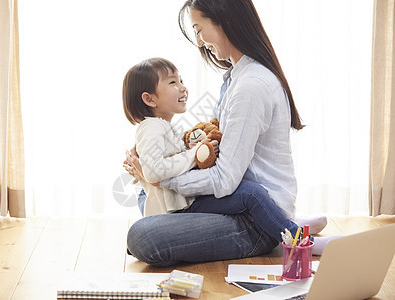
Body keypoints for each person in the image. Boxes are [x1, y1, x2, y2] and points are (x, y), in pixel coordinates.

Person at [124, 0, 335, 267]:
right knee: (144, 198)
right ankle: (284, 223)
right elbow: (219, 142)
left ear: (224, 21)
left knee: (141, 236)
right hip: (234, 202)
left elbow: (225, 180)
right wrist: (163, 154)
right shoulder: (235, 77)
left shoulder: (251, 86)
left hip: (249, 217)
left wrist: (159, 180)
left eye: (199, 30)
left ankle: (283, 229)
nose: (199, 42)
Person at [122, 57, 220, 216]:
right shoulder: (151, 127)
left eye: (181, 81)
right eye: (173, 82)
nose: (183, 88)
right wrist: (195, 154)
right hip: (171, 214)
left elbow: (172, 159)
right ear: (149, 99)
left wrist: (193, 148)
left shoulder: (163, 126)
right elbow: (153, 171)